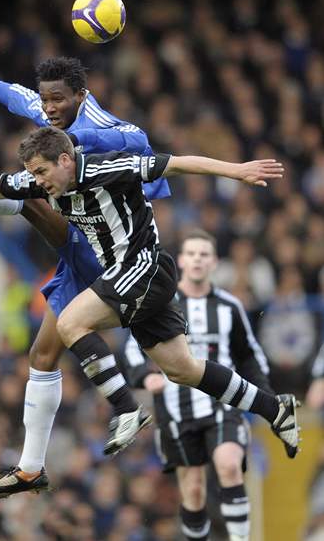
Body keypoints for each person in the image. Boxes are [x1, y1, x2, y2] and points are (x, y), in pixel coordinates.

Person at [0, 126, 300, 501]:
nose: (39, 181)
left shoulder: (108, 167)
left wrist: (238, 171)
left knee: (70, 322)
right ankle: (274, 409)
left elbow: (177, 163)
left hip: (144, 269)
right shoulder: (43, 178)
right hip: (125, 276)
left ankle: (124, 409)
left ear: (66, 160)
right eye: (33, 173)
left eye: (43, 171)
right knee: (183, 369)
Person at [0, 57, 170, 491]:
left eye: (58, 98)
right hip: (80, 243)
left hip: (105, 249)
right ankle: (31, 468)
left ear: (82, 95)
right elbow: (15, 95)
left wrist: (84, 142)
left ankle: (123, 407)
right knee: (42, 357)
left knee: (26, 193)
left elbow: (139, 139)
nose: (49, 106)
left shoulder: (95, 124)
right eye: (46, 98)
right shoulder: (50, 112)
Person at [121, 229, 273, 541]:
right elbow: (131, 348)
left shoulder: (230, 306)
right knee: (193, 490)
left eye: (204, 254)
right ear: (181, 260)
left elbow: (250, 356)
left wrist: (267, 399)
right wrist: (143, 376)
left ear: (214, 262)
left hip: (222, 405)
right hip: (176, 409)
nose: (197, 260)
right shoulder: (161, 302)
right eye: (191, 253)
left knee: (229, 466)